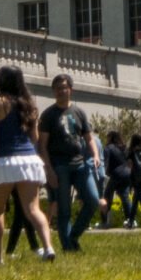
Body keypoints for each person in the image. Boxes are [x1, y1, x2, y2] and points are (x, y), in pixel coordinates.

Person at [0, 67, 60, 263]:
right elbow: (33, 137)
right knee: (33, 209)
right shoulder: (29, 105)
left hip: (6, 160)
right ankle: (48, 247)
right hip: (29, 160)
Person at [40, 75, 102, 252]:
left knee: (92, 200)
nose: (61, 91)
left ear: (70, 90)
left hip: (80, 164)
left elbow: (89, 138)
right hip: (59, 166)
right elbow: (42, 146)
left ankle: (73, 236)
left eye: (64, 87)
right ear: (53, 91)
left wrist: (96, 155)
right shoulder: (48, 115)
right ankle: (68, 247)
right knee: (64, 209)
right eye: (58, 88)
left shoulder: (79, 112)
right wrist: (49, 170)